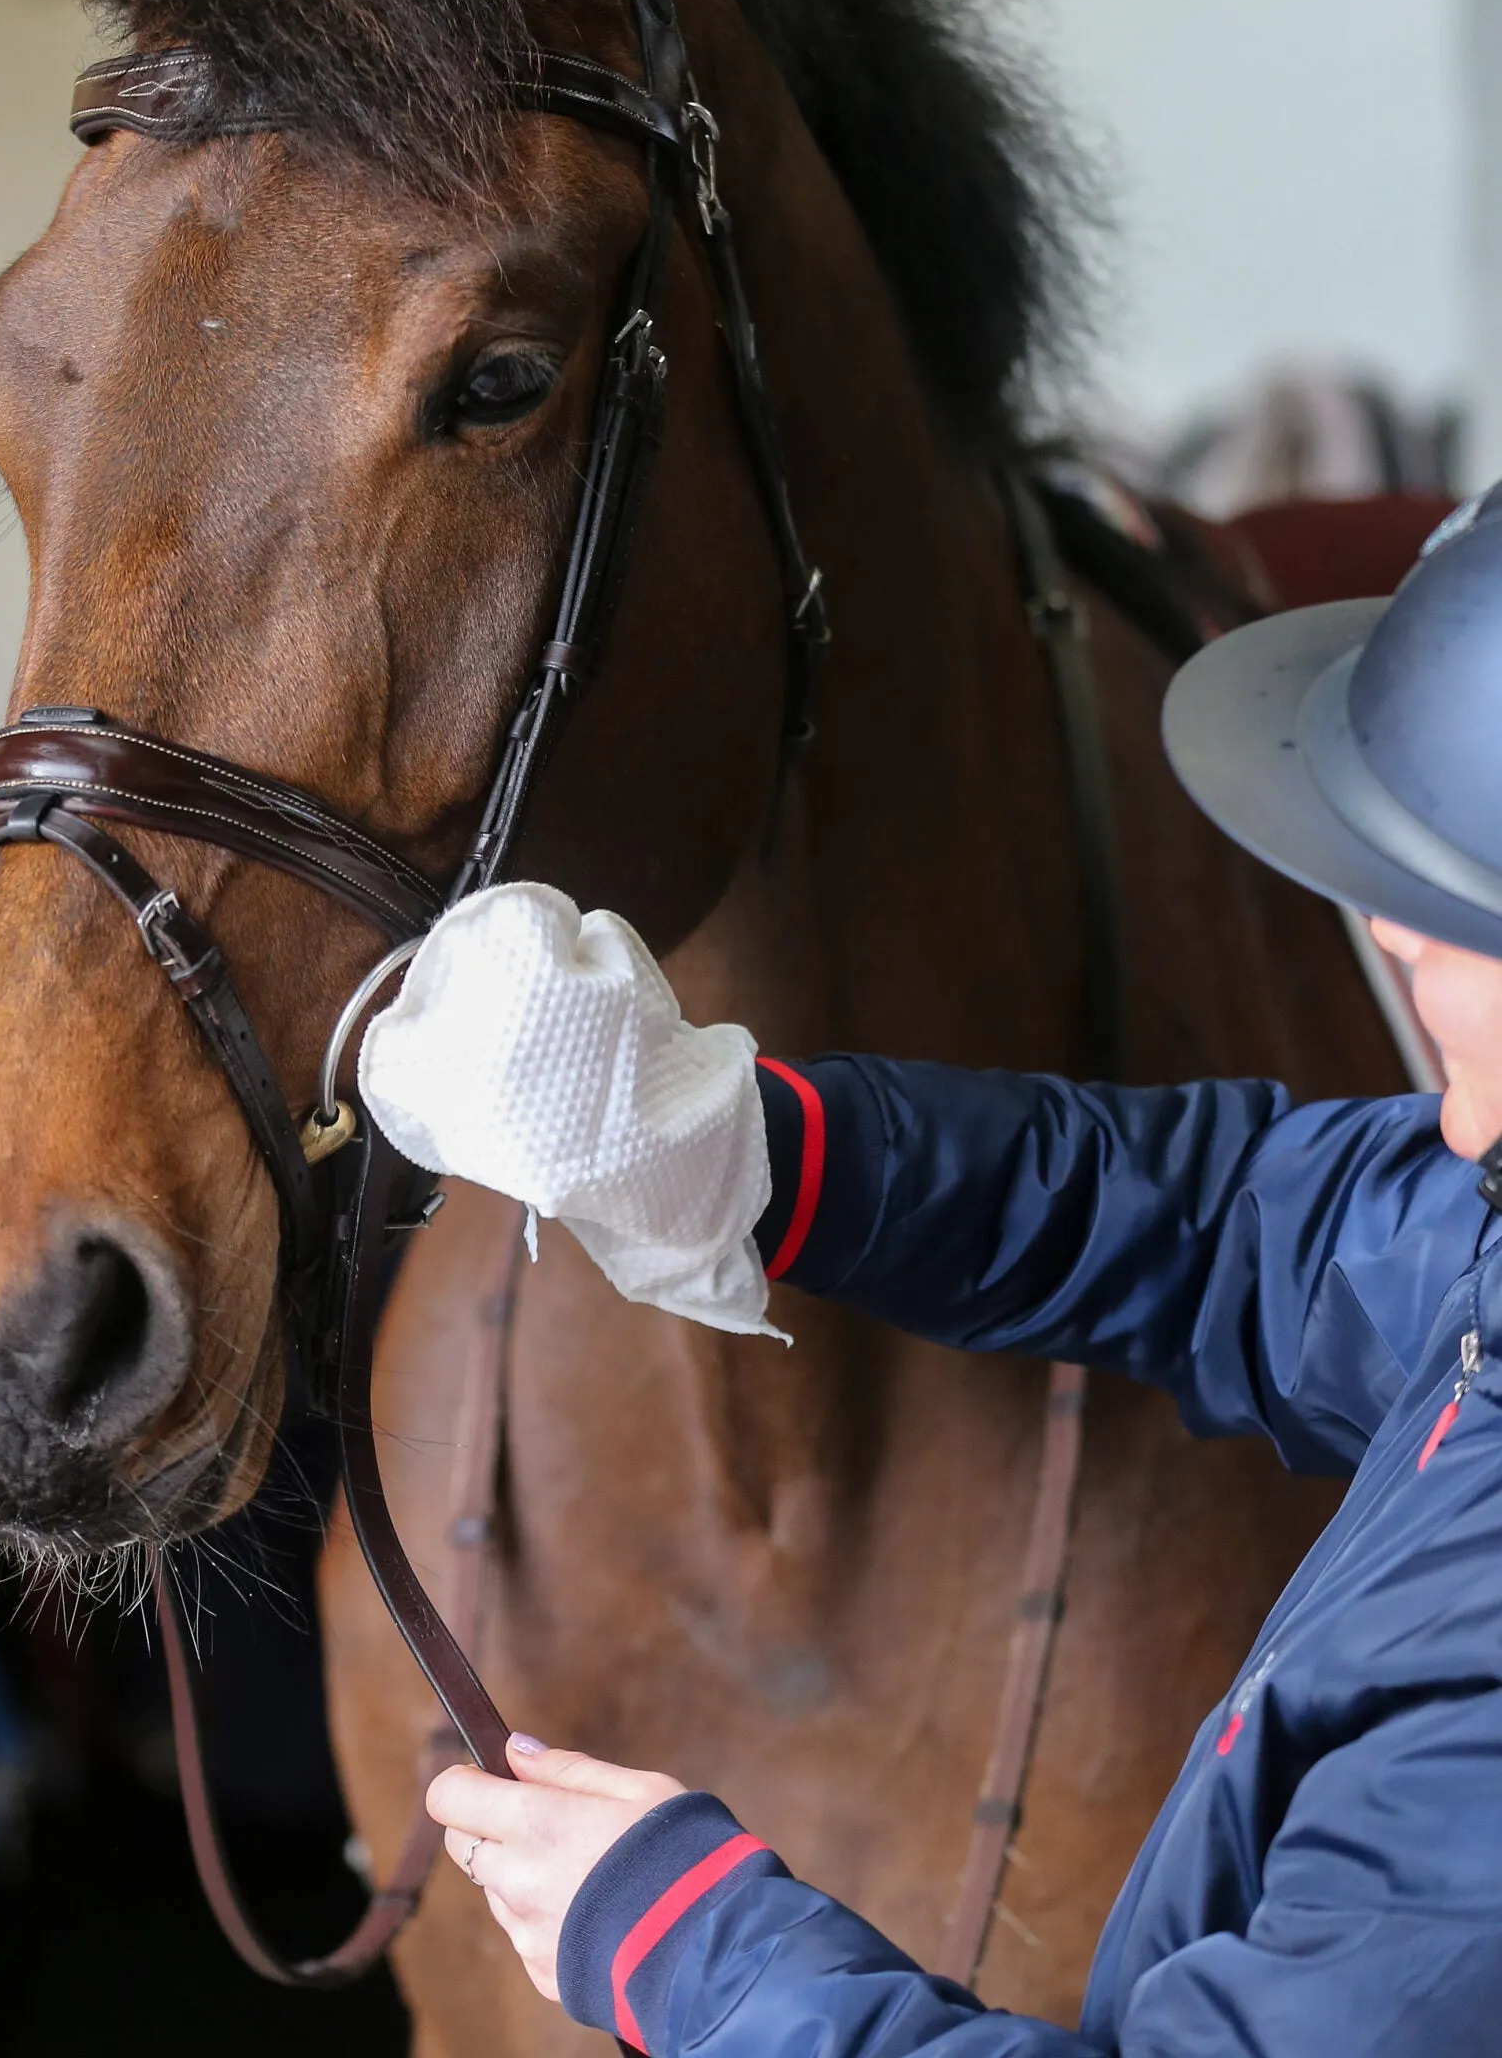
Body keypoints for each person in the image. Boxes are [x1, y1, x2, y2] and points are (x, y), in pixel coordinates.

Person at [354, 484, 1502, 2056]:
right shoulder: (1481, 1229)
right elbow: (1232, 1224)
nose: (1384, 929)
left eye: (1447, 901)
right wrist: (737, 1154)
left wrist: (690, 1946)